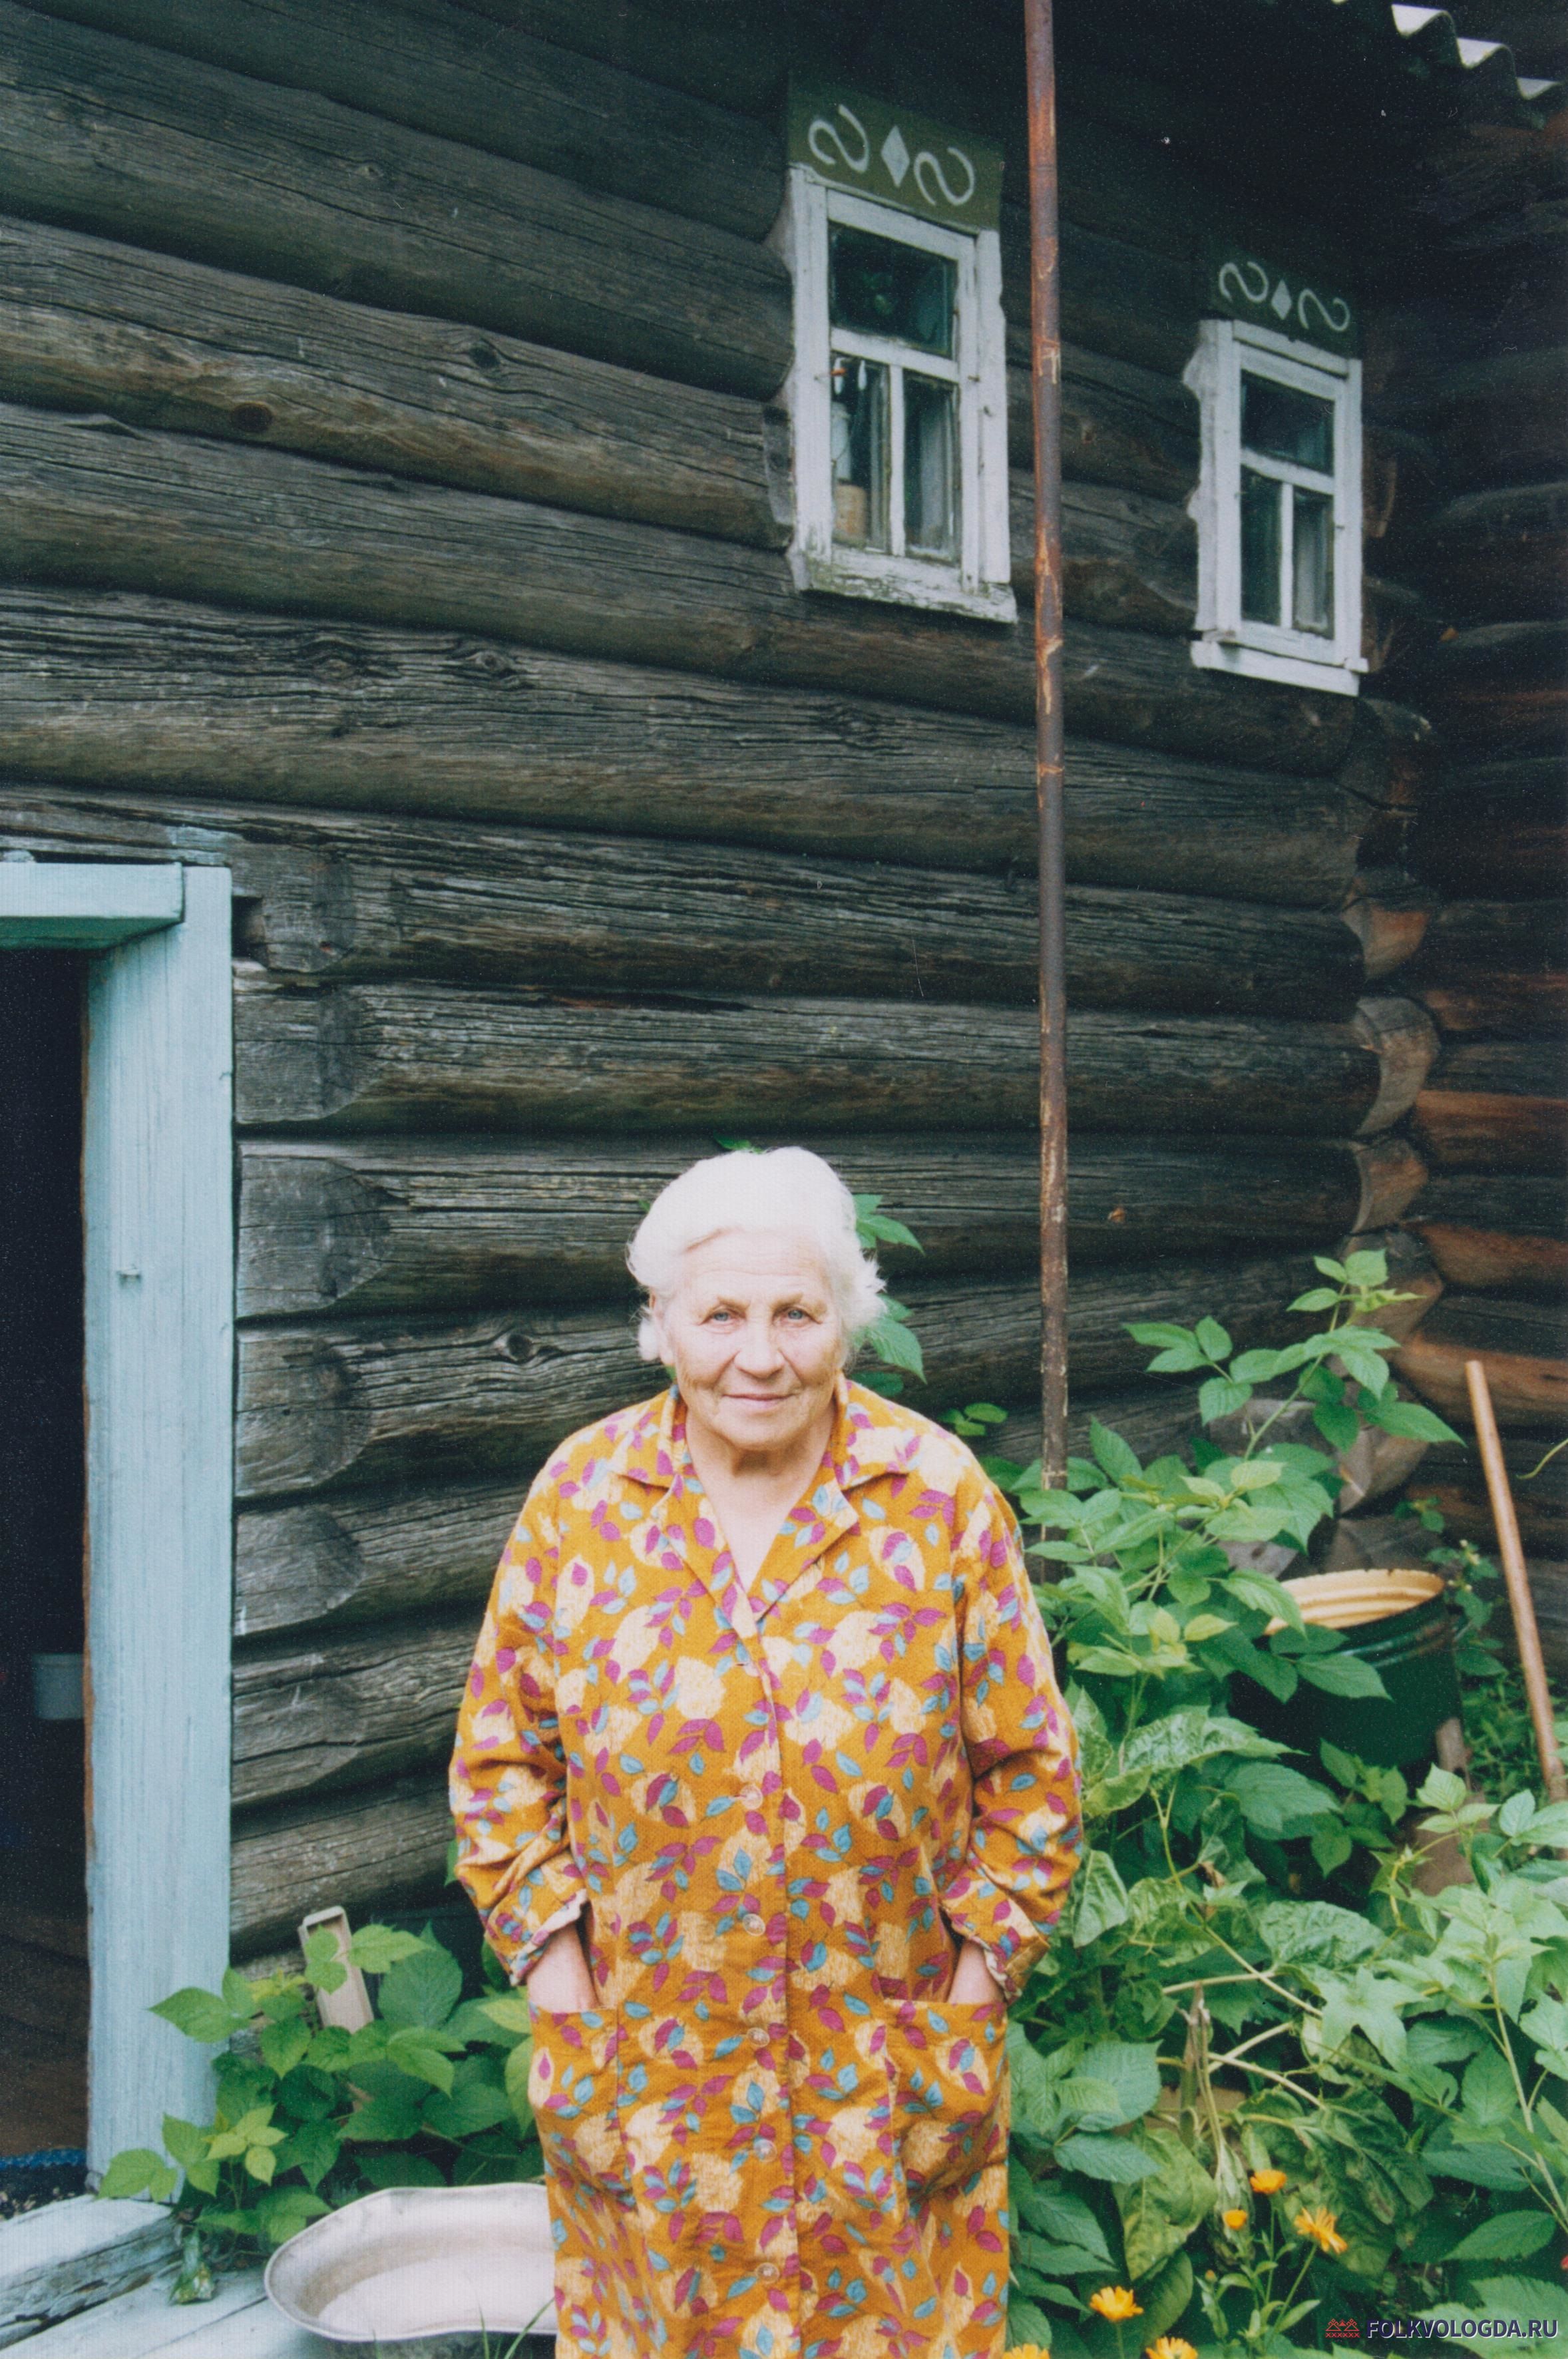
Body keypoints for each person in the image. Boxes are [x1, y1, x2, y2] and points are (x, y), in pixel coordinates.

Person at [450, 1147, 1081, 2359]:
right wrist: (564, 1992)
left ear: (847, 1322)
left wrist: (969, 2004)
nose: (759, 1354)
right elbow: (500, 1769)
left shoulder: (936, 1498)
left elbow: (1033, 1783)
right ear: (661, 1326)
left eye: (797, 1313)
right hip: (654, 2099)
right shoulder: (583, 1501)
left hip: (885, 2098)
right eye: (720, 1316)